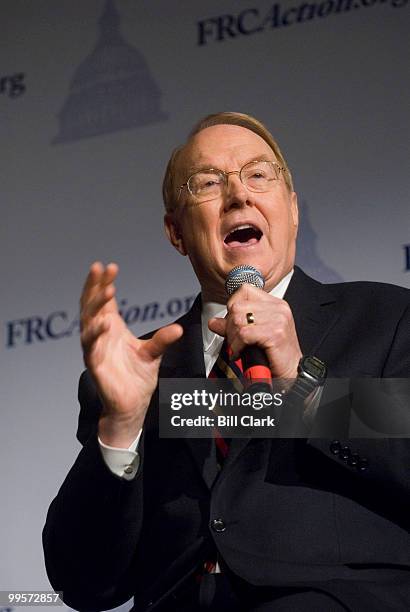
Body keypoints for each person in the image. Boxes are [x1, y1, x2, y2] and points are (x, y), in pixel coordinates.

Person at [43, 112, 410, 611]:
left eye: (259, 175)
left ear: (293, 209)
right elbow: (83, 582)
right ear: (176, 232)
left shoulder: (385, 318)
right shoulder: (141, 371)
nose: (239, 195)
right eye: (208, 183)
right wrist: (121, 429)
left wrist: (301, 388)